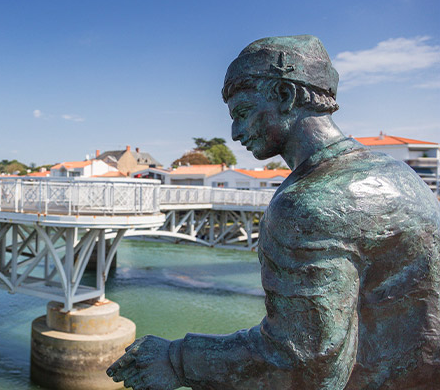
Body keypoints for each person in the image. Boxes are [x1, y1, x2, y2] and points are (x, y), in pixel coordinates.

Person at [108, 35, 440, 389]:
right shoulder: (397, 174)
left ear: (285, 96)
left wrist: (175, 360)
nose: (235, 132)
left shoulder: (308, 206)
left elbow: (305, 364)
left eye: (243, 113)